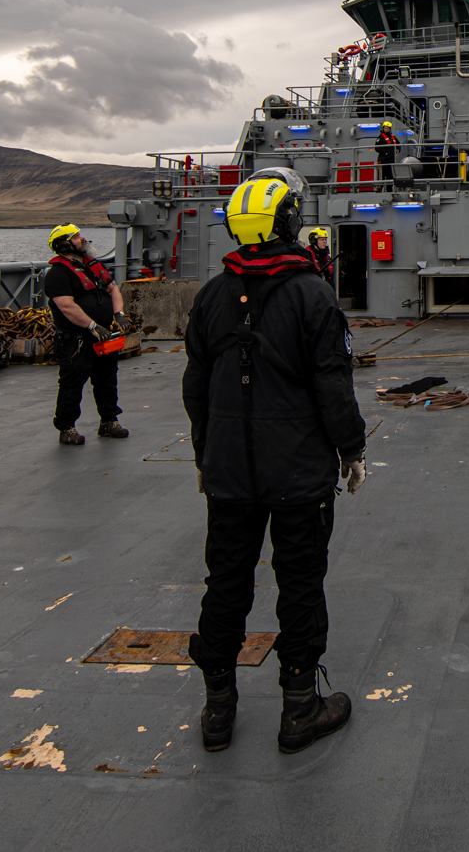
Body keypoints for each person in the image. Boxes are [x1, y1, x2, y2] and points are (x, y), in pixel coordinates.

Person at [183, 171, 367, 755]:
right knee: (301, 584)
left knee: (227, 582)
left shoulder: (212, 295)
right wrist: (352, 449)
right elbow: (332, 386)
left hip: (229, 473)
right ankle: (298, 710)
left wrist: (204, 455)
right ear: (288, 221)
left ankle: (218, 712)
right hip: (297, 474)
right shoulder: (313, 293)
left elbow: (196, 388)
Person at [46, 223, 128, 446]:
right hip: (76, 340)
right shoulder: (58, 274)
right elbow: (66, 307)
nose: (83, 239)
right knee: (72, 383)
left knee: (107, 380)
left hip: (103, 337)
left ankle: (109, 422)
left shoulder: (92, 266)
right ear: (64, 245)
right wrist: (93, 326)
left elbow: (113, 288)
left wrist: (118, 314)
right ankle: (66, 427)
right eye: (77, 237)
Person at [376, 119, 401, 184]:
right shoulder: (380, 137)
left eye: (387, 128)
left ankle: (389, 190)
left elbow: (398, 144)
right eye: (385, 128)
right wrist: (384, 152)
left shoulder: (393, 137)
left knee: (390, 176)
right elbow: (377, 147)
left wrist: (398, 149)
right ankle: (380, 189)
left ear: (390, 129)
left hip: (391, 159)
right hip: (383, 160)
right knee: (382, 176)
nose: (386, 129)